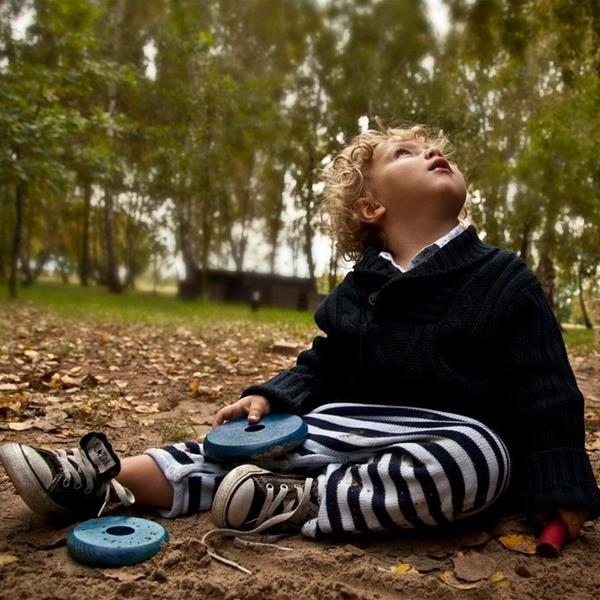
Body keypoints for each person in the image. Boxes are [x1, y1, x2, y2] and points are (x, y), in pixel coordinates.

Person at [1, 124, 599, 561]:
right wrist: (271, 398)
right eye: (406, 152)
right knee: (233, 452)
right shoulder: (360, 289)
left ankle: (301, 503)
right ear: (372, 206)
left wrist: (560, 484)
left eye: (434, 147)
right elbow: (325, 361)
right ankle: (100, 481)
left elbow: (545, 388)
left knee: (479, 461)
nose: (433, 151)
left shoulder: (504, 278)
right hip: (342, 426)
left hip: (444, 439)